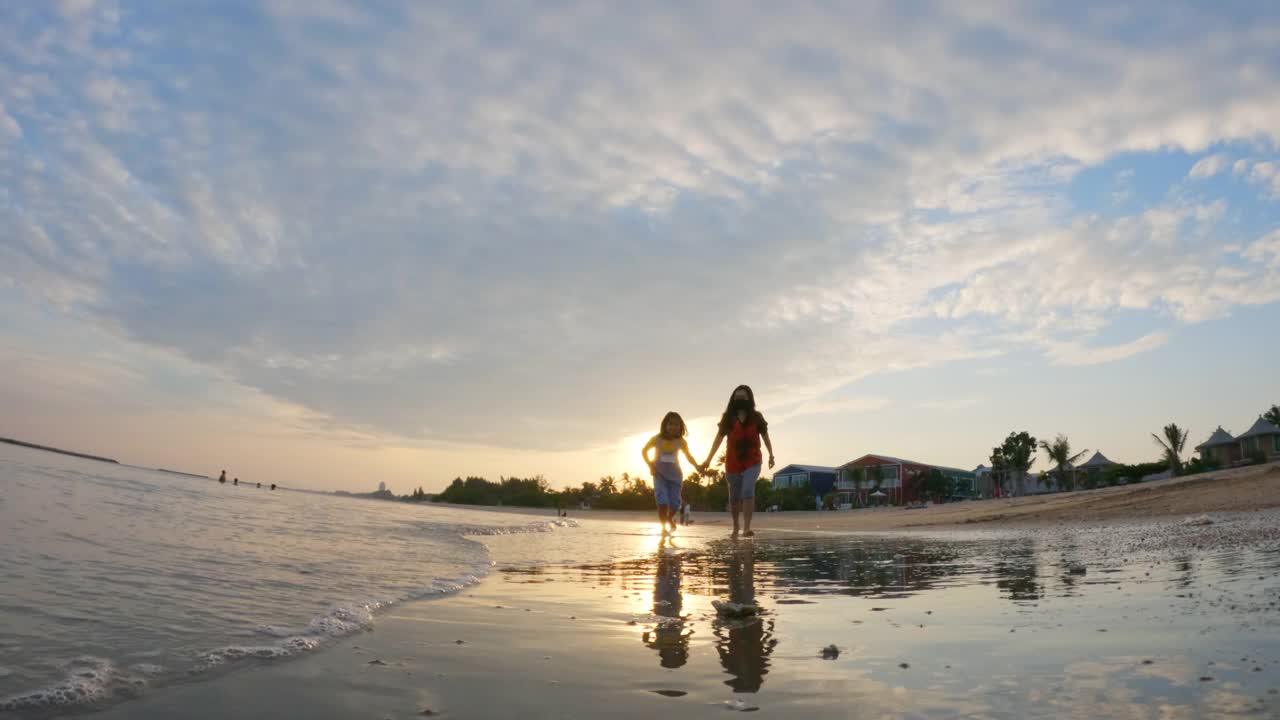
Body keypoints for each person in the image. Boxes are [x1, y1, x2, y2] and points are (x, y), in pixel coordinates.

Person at [702, 385, 774, 538]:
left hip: (753, 460)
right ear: (733, 399)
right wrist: (708, 459)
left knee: (748, 490)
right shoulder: (728, 418)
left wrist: (771, 454)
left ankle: (746, 528)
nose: (740, 400)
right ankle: (736, 526)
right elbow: (718, 439)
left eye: (743, 397)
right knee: (734, 497)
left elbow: (765, 437)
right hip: (733, 461)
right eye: (737, 397)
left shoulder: (756, 417)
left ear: (749, 399)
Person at [641, 411, 700, 535]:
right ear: (665, 425)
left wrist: (697, 466)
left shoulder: (681, 442)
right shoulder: (656, 439)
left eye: (676, 425)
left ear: (680, 427)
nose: (673, 427)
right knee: (662, 500)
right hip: (659, 475)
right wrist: (650, 465)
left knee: (675, 502)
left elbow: (688, 456)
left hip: (675, 476)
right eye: (670, 424)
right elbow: (644, 451)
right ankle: (663, 528)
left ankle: (669, 518)